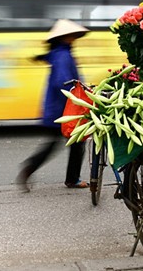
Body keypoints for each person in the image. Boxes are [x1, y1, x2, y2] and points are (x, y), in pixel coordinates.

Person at [16, 19, 90, 192]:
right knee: (77, 143)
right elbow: (62, 82)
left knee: (56, 144)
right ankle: (71, 179)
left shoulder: (59, 53)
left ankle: (30, 168)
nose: (75, 38)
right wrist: (77, 96)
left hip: (56, 108)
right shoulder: (63, 55)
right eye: (73, 35)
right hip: (63, 109)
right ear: (65, 37)